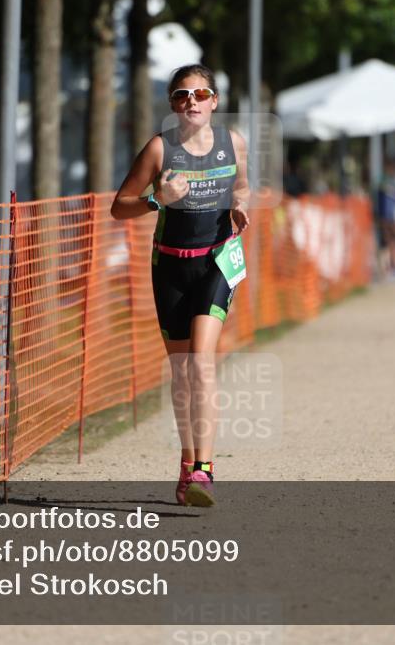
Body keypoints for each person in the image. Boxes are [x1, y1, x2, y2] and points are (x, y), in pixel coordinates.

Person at [111, 64, 250, 508]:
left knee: (202, 364)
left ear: (214, 101)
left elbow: (242, 187)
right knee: (182, 373)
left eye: (200, 93)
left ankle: (205, 472)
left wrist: (241, 206)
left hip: (216, 263)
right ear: (173, 105)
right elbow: (120, 207)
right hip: (169, 267)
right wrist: (157, 199)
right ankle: (188, 462)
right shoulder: (159, 149)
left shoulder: (235, 144)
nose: (191, 101)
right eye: (181, 95)